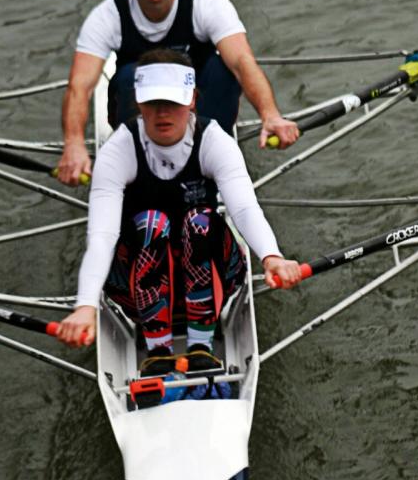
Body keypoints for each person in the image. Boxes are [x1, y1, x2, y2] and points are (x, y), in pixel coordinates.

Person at [55, 49, 302, 371]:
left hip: (211, 276)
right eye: (153, 103)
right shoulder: (119, 149)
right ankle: (158, 350)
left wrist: (271, 256)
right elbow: (102, 236)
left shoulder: (214, 140)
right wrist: (85, 305)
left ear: (193, 100)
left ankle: (201, 346)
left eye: (172, 102)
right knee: (151, 223)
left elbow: (243, 208)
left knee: (199, 221)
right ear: (138, 103)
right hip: (136, 285)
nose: (162, 113)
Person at [57, 0, 299, 184]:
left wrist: (271, 115)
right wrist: (74, 143)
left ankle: (212, 159)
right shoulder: (107, 17)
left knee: (223, 70)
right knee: (128, 78)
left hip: (198, 108)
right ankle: (140, 166)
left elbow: (242, 63)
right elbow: (79, 87)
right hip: (144, 117)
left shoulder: (207, 2)